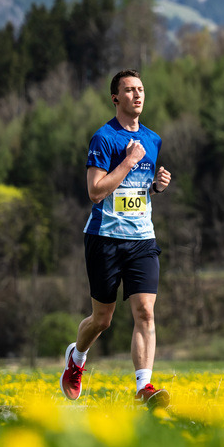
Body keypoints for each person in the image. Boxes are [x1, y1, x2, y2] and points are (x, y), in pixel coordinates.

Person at [59, 69, 173, 409]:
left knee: (145, 312)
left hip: (142, 239)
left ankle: (144, 386)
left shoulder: (153, 139)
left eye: (140, 89)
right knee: (102, 320)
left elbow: (136, 189)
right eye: (129, 90)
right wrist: (127, 161)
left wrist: (156, 186)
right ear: (115, 98)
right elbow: (95, 192)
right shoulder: (104, 138)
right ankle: (77, 357)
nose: (137, 95)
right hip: (105, 239)